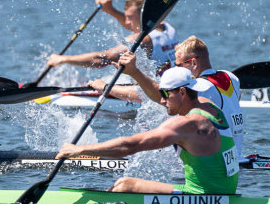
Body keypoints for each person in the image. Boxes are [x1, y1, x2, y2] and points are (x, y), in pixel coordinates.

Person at [56, 67, 239, 195]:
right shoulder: (209, 106)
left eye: (165, 94)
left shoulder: (186, 125)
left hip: (203, 196)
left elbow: (131, 145)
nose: (161, 100)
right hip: (224, 191)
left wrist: (79, 150)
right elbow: (153, 95)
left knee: (124, 186)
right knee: (123, 182)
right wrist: (134, 71)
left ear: (182, 92)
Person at [89, 36, 246, 156]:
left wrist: (107, 86)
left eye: (179, 66)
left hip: (212, 159)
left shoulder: (201, 87)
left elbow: (156, 95)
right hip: (232, 154)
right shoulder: (231, 77)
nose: (175, 69)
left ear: (194, 63)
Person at [45, 0, 177, 74]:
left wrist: (63, 59)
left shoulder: (143, 40)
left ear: (144, 16)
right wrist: (110, 10)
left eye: (130, 17)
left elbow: (104, 59)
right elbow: (137, 26)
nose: (127, 22)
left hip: (145, 94)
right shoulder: (167, 28)